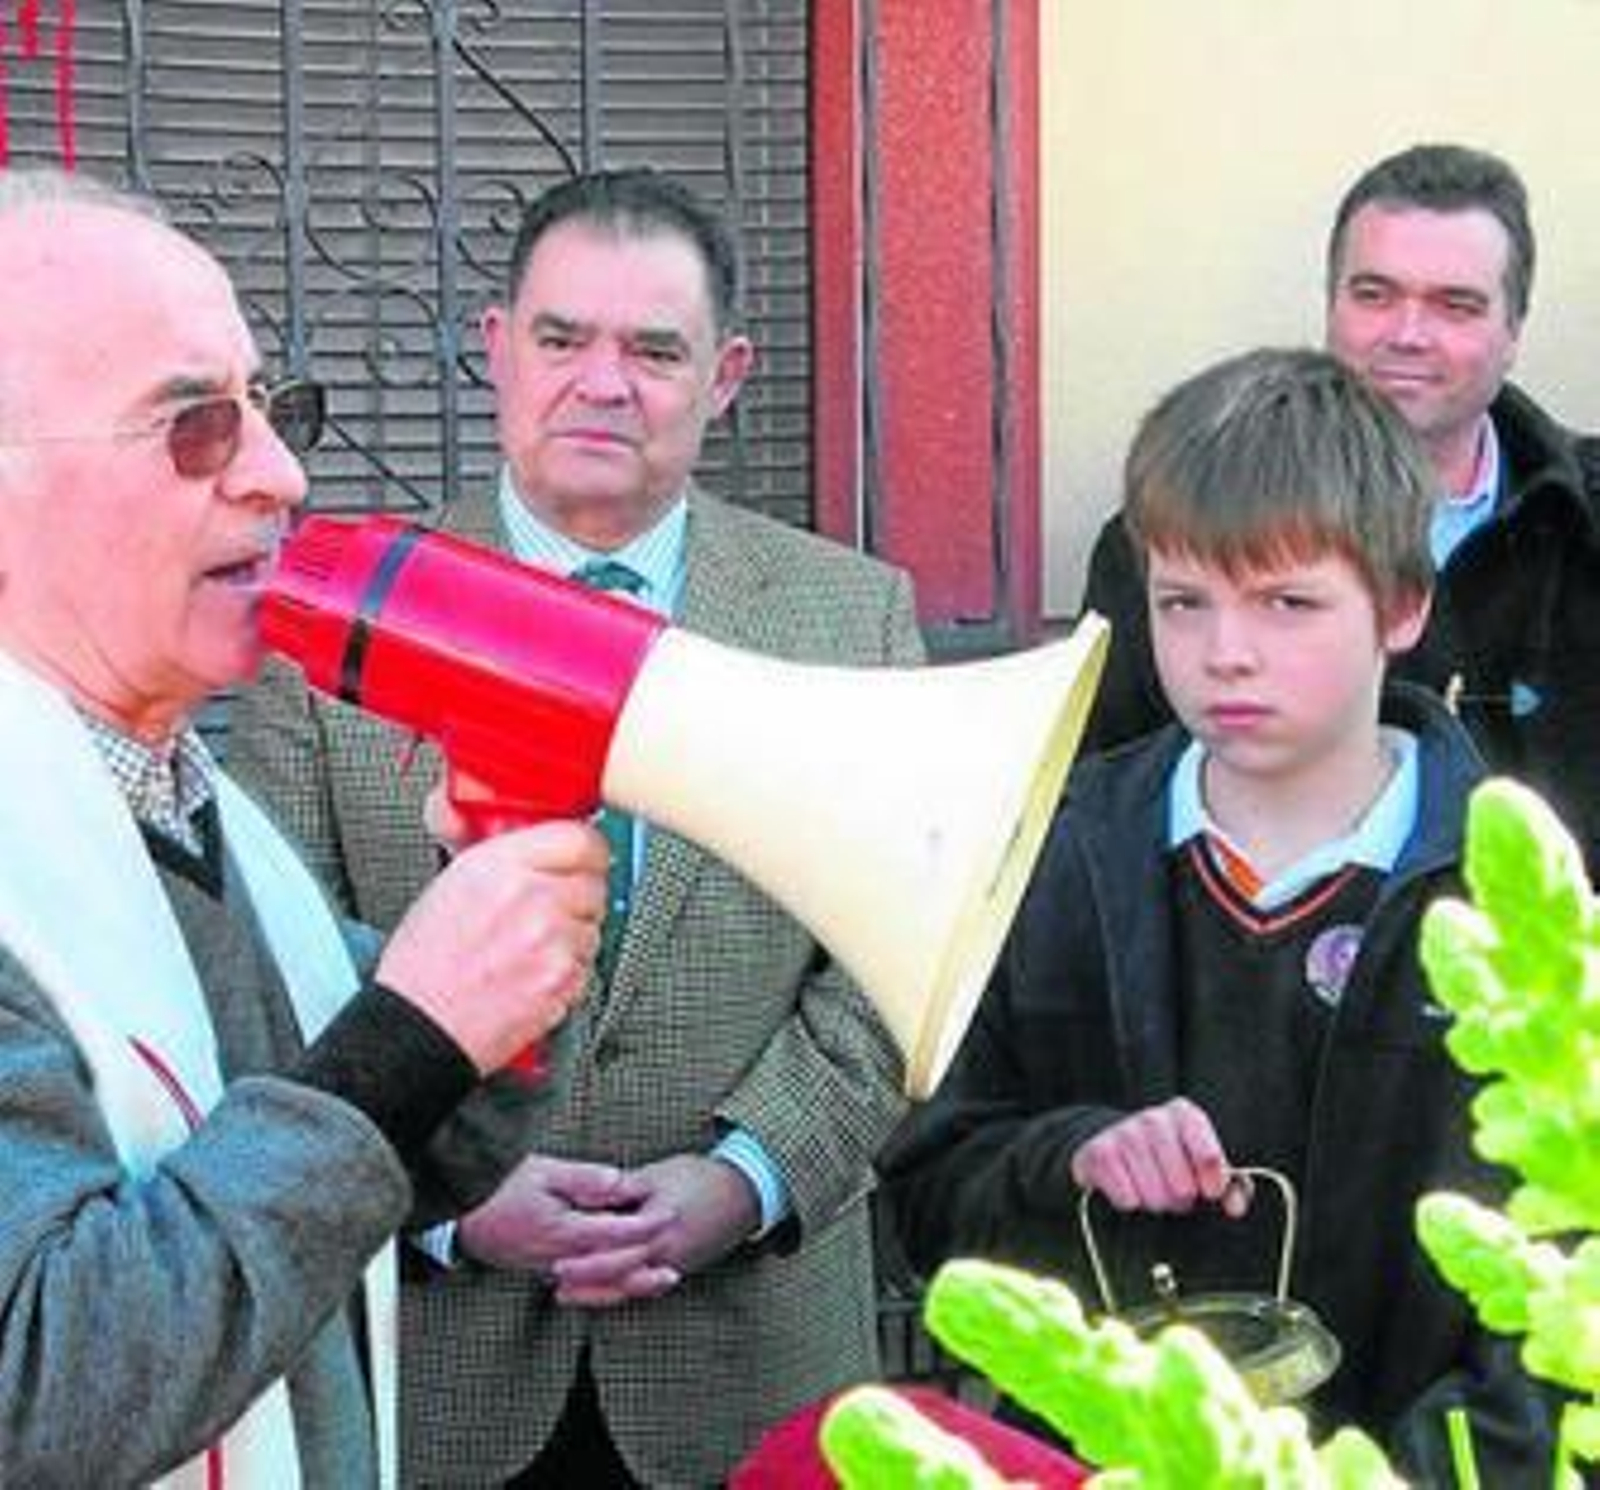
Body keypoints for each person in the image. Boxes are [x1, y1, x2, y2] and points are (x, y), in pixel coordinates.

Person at [228, 166, 926, 1487]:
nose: (603, 383)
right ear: (497, 348)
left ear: (725, 375)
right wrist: (446, 1196)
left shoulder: (851, 619)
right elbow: (276, 969)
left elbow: (897, 963)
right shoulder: (336, 621)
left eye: (653, 350)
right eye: (562, 338)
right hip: (439, 1369)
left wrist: (750, 1175)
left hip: (754, 1358)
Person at [0, 167, 607, 1487]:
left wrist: (501, 922)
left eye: (271, 409)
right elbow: (43, 1385)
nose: (281, 474)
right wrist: (415, 1030)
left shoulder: (197, 812)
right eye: (193, 426)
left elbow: (420, 1155)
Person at [884, 348, 1559, 1485]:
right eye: (1182, 602)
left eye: (1287, 603)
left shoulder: (1518, 893)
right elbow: (932, 1195)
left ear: (1402, 605)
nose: (1225, 653)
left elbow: (1565, 1298)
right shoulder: (1054, 851)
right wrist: (1073, 1156)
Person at [1079, 143, 1600, 870]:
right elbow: (1104, 824)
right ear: (1332, 304)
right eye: (1374, 294)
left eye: (1455, 305)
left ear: (1513, 331)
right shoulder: (1173, 540)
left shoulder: (1587, 518)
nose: (1408, 335)